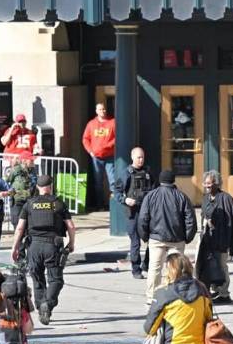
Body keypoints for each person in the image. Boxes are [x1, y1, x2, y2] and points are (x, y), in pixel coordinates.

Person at [11, 175, 75, 325]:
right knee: (56, 279)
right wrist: (71, 243)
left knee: (37, 278)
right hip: (52, 246)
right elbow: (71, 226)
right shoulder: (58, 203)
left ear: (38, 187)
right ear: (51, 186)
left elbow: (20, 227)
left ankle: (41, 307)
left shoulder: (29, 204)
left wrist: (15, 247)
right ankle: (48, 304)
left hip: (33, 247)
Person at [137, 170, 197, 303]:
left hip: (156, 238)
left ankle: (151, 297)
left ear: (160, 181)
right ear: (173, 180)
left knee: (154, 268)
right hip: (176, 239)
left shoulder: (151, 196)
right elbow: (190, 219)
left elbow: (143, 219)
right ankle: (175, 296)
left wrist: (145, 236)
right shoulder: (182, 197)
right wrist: (188, 237)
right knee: (176, 268)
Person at [198, 170, 233, 304]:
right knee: (209, 265)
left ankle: (224, 293)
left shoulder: (226, 199)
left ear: (216, 184)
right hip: (207, 239)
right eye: (205, 184)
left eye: (210, 184)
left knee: (221, 266)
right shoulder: (205, 198)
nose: (207, 186)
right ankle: (214, 290)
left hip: (221, 239)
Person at [113, 147, 156, 280]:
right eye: (138, 157)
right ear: (132, 157)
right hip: (133, 212)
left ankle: (146, 264)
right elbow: (117, 192)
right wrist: (125, 199)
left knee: (153, 240)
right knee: (135, 242)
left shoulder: (148, 172)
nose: (141, 160)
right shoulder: (127, 173)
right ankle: (136, 269)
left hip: (147, 211)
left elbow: (155, 189)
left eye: (142, 157)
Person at [82, 103, 116, 209]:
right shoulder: (91, 124)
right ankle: (100, 205)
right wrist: (90, 151)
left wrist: (107, 146)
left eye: (104, 109)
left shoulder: (112, 122)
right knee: (98, 182)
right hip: (96, 157)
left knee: (113, 180)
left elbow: (117, 137)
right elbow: (85, 139)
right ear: (96, 111)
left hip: (110, 156)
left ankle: (114, 205)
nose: (103, 111)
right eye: (100, 109)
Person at [5, 153, 37, 227]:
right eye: (30, 159)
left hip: (29, 200)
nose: (33, 160)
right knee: (17, 222)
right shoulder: (16, 170)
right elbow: (6, 182)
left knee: (29, 223)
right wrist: (11, 192)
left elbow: (34, 183)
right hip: (17, 200)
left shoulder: (33, 170)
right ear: (24, 161)